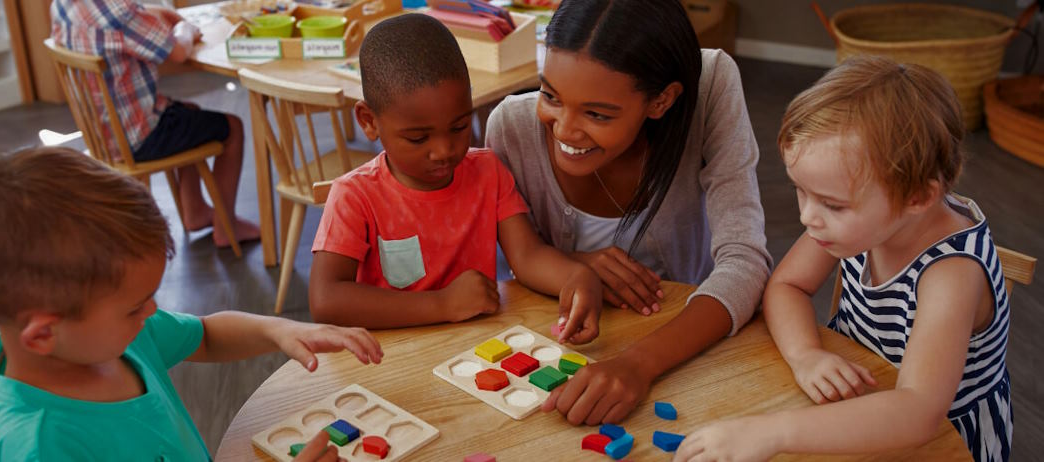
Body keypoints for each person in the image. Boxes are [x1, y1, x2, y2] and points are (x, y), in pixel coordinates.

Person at [0, 147, 382, 461]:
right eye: (135, 306)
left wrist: (280, 330)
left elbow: (206, 336)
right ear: (42, 333)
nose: (150, 312)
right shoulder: (42, 446)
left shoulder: (111, 340)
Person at [674, 56, 1012, 462]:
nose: (806, 216)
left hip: (939, 439)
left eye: (832, 204)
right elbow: (786, 286)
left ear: (918, 197)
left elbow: (919, 413)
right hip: (857, 399)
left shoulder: (952, 273)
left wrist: (773, 432)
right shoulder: (862, 220)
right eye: (802, 191)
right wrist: (805, 356)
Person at [485, 0, 771, 424]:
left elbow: (746, 262)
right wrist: (574, 265)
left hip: (685, 339)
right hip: (560, 349)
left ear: (662, 101)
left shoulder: (707, 85)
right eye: (550, 95)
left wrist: (638, 364)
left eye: (598, 114)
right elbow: (517, 261)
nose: (564, 129)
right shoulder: (510, 128)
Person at [308, 14, 603, 343]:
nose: (444, 150)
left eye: (459, 127)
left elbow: (527, 256)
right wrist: (442, 304)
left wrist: (576, 275)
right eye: (419, 138)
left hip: (475, 349)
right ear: (369, 121)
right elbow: (326, 301)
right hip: (392, 357)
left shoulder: (488, 171)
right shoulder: (354, 196)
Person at [51, 0, 260, 248]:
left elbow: (139, 15)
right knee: (232, 127)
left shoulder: (63, 4)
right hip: (139, 137)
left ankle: (195, 212)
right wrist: (184, 26)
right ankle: (227, 227)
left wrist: (160, 13)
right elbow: (178, 52)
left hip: (103, 134)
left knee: (189, 113)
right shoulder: (119, 13)